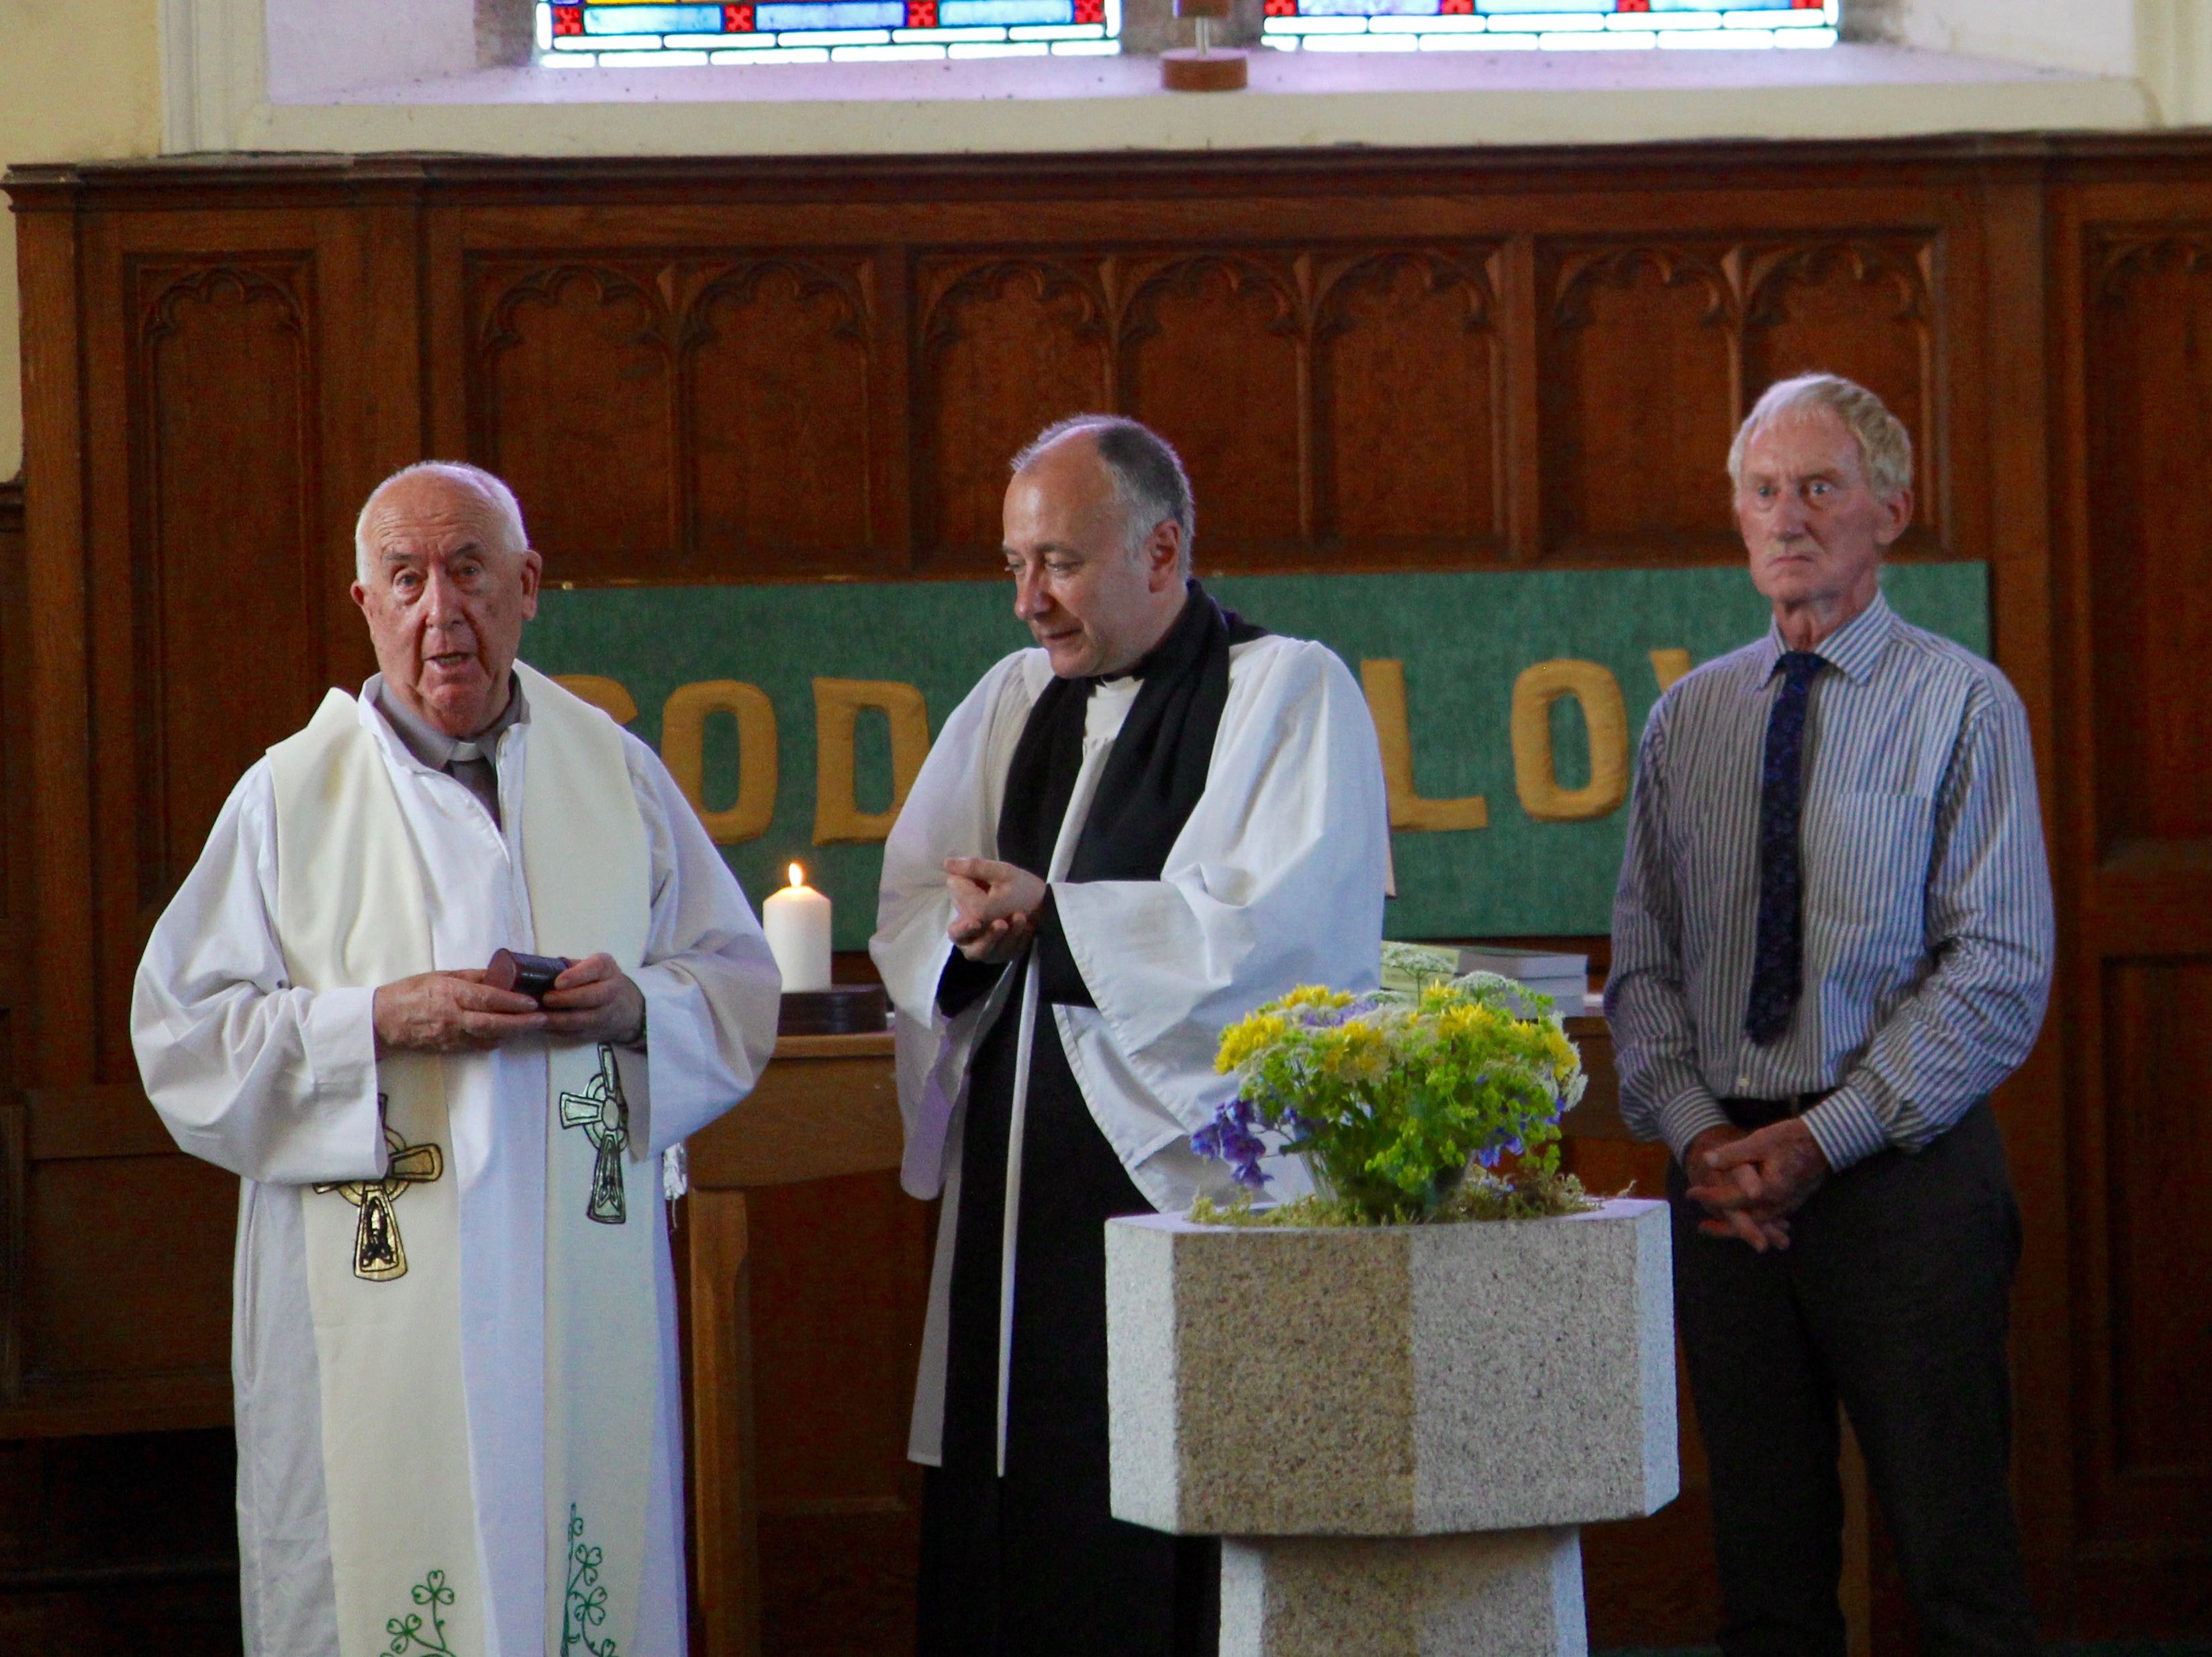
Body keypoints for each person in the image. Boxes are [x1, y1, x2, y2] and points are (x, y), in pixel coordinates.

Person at [132, 462, 781, 1657]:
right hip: (376, 1303)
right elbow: (182, 1038)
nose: (443, 609)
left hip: (574, 1304)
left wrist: (638, 1008)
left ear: (528, 585)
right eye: (407, 577)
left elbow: (736, 986)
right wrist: (373, 1021)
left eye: (471, 570)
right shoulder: (289, 797)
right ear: (364, 602)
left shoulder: (616, 773)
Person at [872, 415, 1390, 1657]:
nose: (1026, 603)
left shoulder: (1288, 693)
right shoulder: (1010, 703)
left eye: (1056, 563)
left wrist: (1065, 920)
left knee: (1154, 1527)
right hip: (1020, 1182)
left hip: (1174, 1194)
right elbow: (909, 901)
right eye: (1012, 565)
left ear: (1162, 553)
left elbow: (1283, 940)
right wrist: (970, 945)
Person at [1606, 374, 2054, 1656]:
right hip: (1727, 1190)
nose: (1788, 519)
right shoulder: (1687, 718)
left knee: (1955, 1566)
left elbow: (2000, 969)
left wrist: (1822, 1140)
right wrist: (1703, 1138)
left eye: (1821, 488)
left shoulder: (1966, 703)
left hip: (1903, 1175)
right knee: (1765, 1573)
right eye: (1764, 491)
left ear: (1890, 511)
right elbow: (1644, 965)